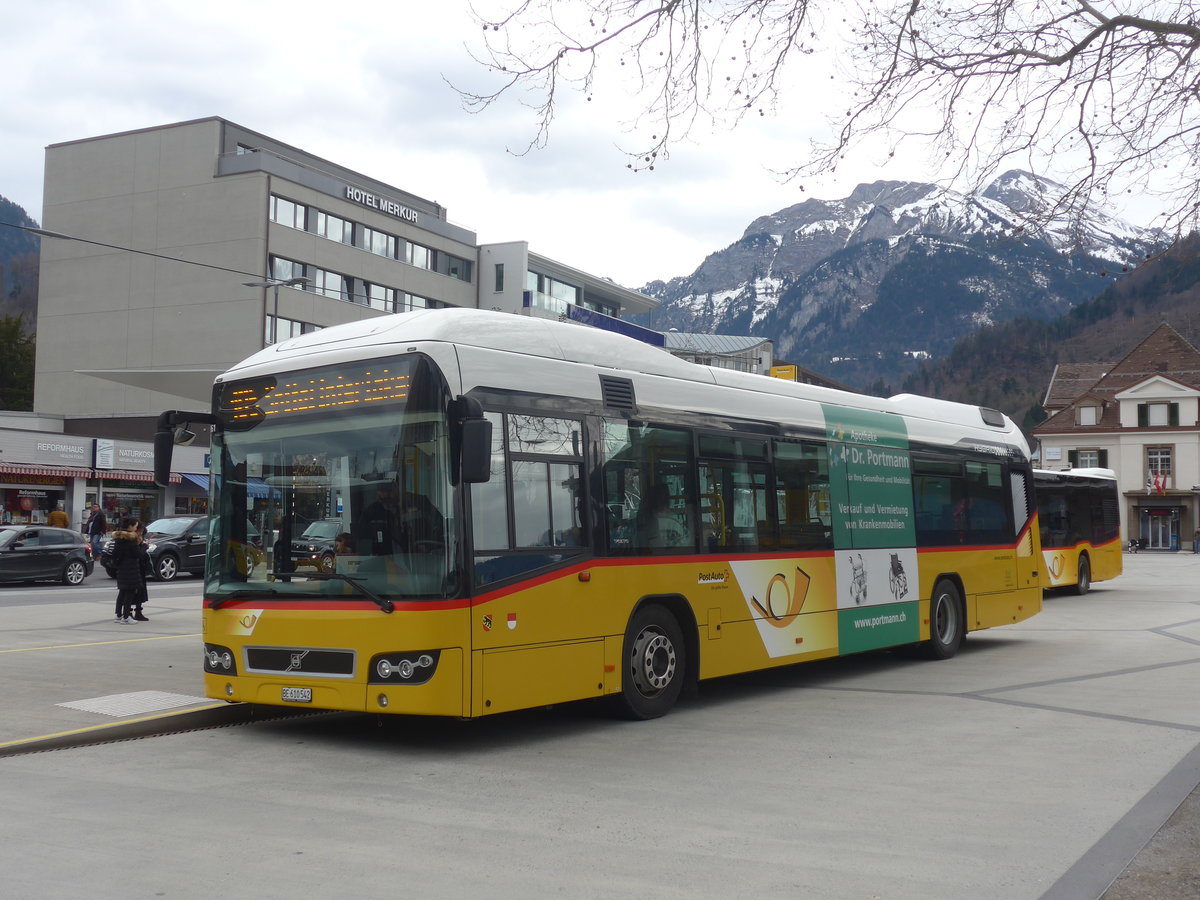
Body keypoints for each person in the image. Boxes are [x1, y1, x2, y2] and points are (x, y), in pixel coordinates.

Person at [110, 517, 148, 624]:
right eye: (135, 526)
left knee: (122, 592)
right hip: (131, 568)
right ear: (130, 526)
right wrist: (145, 547)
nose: (136, 528)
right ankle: (126, 617)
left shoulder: (119, 538)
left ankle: (118, 615)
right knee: (130, 592)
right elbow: (138, 554)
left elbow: (115, 554)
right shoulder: (131, 540)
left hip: (122, 568)